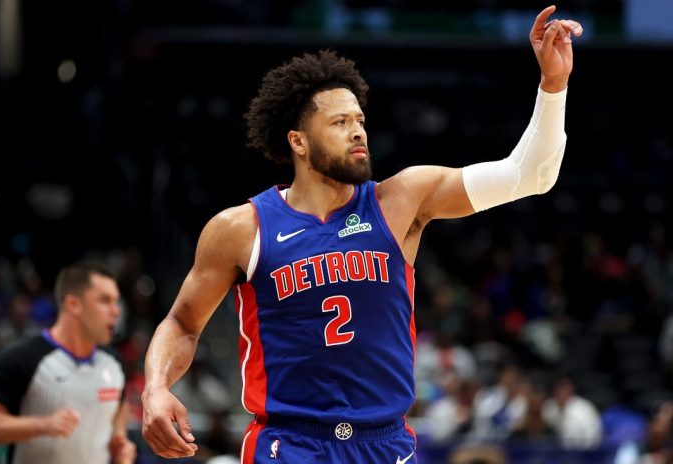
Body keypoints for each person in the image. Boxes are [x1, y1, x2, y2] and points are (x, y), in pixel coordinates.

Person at [141, 5, 583, 463]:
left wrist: (553, 86)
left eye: (360, 121)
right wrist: (155, 387)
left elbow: (529, 175)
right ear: (298, 141)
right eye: (340, 123)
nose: (357, 132)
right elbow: (181, 324)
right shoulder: (240, 228)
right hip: (291, 444)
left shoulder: (401, 200)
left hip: (385, 442)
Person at [0, 261, 137, 464]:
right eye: (105, 301)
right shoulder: (23, 358)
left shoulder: (115, 363)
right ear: (73, 304)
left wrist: (118, 439)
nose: (116, 311)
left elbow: (121, 406)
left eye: (116, 301)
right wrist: (42, 425)